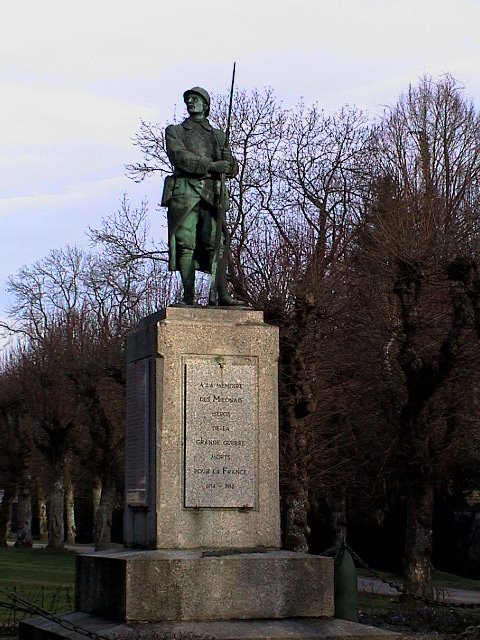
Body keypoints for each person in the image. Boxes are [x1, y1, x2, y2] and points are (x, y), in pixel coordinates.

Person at [162, 86, 243, 306]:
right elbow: (179, 157)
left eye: (196, 99)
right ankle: (189, 297)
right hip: (186, 193)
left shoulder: (217, 136)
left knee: (217, 242)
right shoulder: (175, 131)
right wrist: (211, 165)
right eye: (188, 99)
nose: (191, 102)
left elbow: (231, 169)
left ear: (206, 105)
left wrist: (229, 163)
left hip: (211, 194)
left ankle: (222, 295)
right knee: (185, 243)